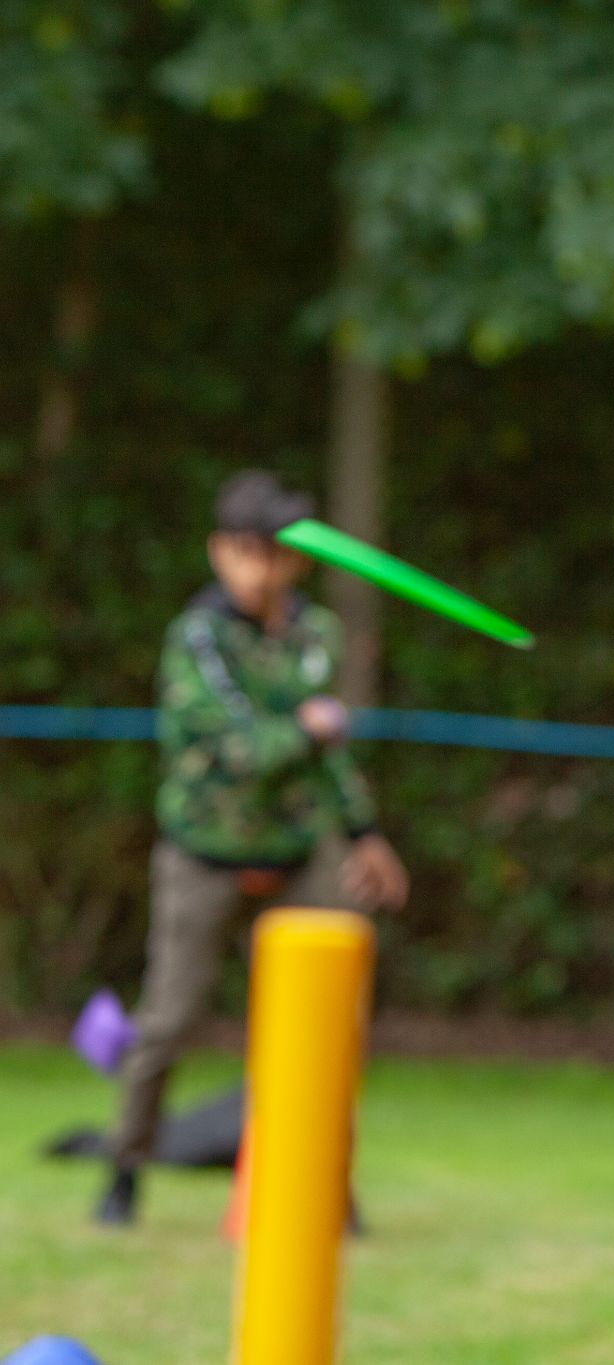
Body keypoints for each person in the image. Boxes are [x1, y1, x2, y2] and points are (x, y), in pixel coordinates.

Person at [96, 470, 408, 1227]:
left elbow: (326, 756)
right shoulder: (195, 638)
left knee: (329, 1016)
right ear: (218, 552)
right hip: (203, 854)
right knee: (167, 1021)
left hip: (297, 851)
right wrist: (306, 727)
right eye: (245, 550)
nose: (260, 566)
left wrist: (365, 834)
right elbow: (236, 745)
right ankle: (124, 1170)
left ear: (296, 560)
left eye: (274, 552)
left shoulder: (315, 637)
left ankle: (326, 1181)